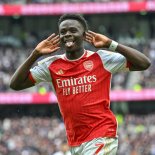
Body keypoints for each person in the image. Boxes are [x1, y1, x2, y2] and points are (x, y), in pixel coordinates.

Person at [10, 14, 151, 155]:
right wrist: (35, 54)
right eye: (63, 32)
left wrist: (111, 44)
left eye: (73, 30)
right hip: (75, 141)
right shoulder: (51, 65)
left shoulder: (101, 58)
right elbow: (15, 84)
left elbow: (144, 63)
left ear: (84, 35)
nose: (67, 34)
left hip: (102, 134)